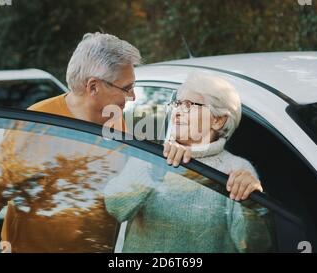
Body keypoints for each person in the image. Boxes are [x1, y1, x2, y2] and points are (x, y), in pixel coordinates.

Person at [0, 32, 142, 252]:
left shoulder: (118, 125)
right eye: (126, 88)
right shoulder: (36, 126)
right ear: (94, 87)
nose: (133, 96)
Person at [104, 71, 272, 252]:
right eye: (177, 104)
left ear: (218, 120)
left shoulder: (237, 169)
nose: (176, 112)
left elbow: (254, 247)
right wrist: (154, 168)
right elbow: (114, 207)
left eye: (188, 105)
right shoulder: (151, 156)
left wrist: (253, 207)